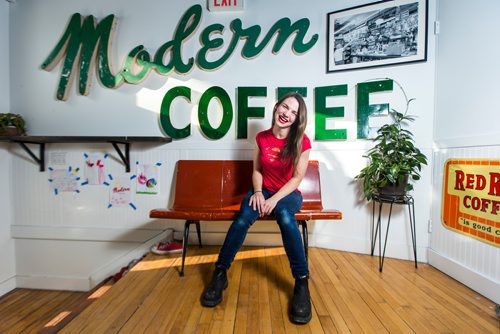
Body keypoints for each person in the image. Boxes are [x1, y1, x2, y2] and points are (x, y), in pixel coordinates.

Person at [201, 92, 313, 324]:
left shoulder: (302, 141)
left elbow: (297, 179)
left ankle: (301, 282)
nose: (287, 114)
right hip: (263, 192)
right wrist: (260, 193)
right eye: (285, 107)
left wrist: (274, 200)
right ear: (276, 107)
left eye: (294, 112)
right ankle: (220, 273)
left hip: (288, 194)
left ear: (297, 119)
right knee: (242, 218)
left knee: (284, 214)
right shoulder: (261, 138)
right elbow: (257, 170)